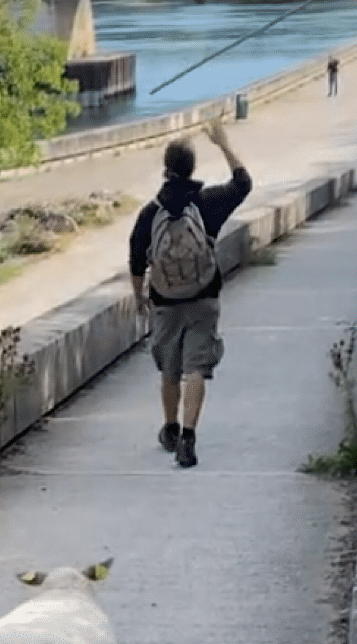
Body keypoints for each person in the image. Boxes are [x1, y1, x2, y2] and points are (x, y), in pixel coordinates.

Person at [129, 120, 252, 468]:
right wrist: (223, 144)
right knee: (196, 367)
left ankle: (169, 428)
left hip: (166, 303)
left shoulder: (150, 213)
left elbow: (137, 257)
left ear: (165, 169)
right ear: (192, 168)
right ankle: (188, 437)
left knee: (170, 368)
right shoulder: (207, 203)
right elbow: (243, 184)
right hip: (204, 299)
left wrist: (140, 297)